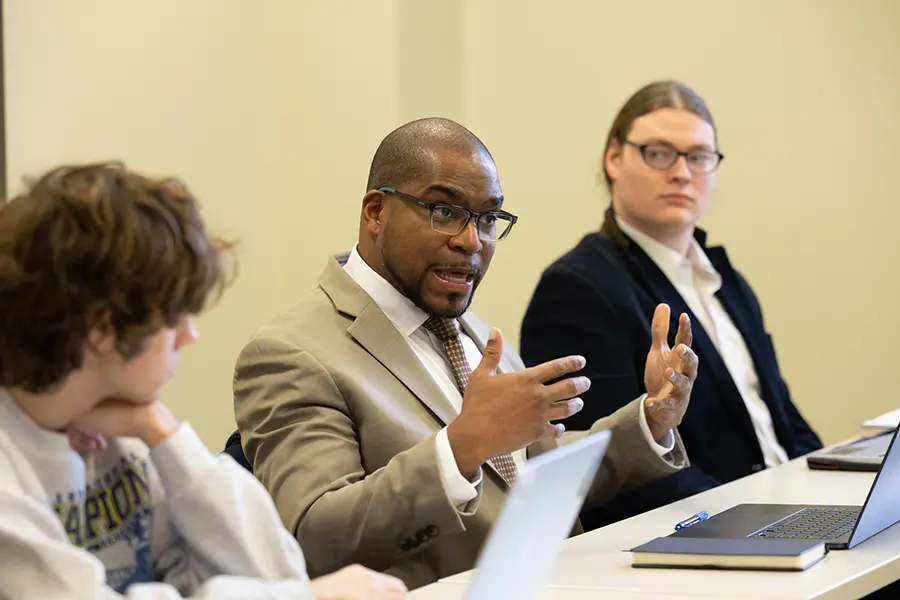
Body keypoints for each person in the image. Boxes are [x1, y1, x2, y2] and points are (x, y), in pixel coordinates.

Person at [233, 118, 700, 591]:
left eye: (488, 219)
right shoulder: (291, 352)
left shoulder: (471, 330)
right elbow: (315, 536)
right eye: (444, 211)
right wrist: (463, 448)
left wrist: (651, 420)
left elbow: (524, 474)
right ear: (376, 212)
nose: (471, 242)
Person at [0, 163, 407, 599]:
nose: (189, 335)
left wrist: (162, 432)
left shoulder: (123, 425)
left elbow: (275, 572)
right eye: (174, 316)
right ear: (102, 329)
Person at [520, 81, 822, 530]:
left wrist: (829, 488)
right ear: (614, 159)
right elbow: (611, 471)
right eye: (659, 153)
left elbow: (782, 420)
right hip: (700, 539)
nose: (682, 173)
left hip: (785, 517)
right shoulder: (578, 287)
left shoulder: (726, 280)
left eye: (699, 157)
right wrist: (754, 520)